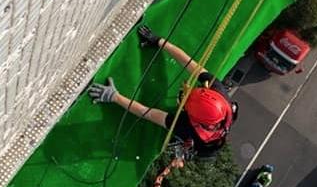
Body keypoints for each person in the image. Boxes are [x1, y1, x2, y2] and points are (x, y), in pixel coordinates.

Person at [87, 24, 236, 158]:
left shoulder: (186, 127)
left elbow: (148, 113)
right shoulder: (218, 92)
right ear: (207, 90)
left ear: (191, 116)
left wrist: (114, 97)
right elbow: (190, 64)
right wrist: (159, 41)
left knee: (190, 147)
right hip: (215, 122)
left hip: (203, 144)